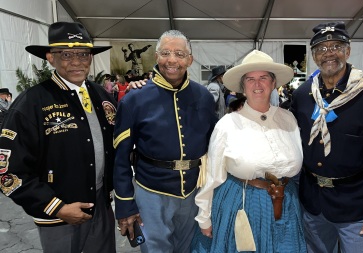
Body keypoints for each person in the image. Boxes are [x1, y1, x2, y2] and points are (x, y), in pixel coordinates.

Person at [0, 22, 117, 253]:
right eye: (66, 54)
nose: (76, 62)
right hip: (60, 215)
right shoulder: (32, 103)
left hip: (101, 206)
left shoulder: (101, 95)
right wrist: (57, 207)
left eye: (83, 54)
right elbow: (8, 172)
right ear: (50, 58)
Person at [290, 21, 363, 252]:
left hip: (356, 206)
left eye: (336, 46)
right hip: (313, 204)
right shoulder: (303, 94)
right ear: (313, 56)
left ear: (348, 51)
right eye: (321, 48)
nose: (328, 53)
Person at [191, 50, 307, 253]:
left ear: (273, 83)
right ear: (243, 86)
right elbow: (213, 175)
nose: (257, 84)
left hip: (287, 202)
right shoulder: (228, 124)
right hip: (243, 203)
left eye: (263, 78)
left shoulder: (288, 119)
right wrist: (204, 217)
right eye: (251, 79)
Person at [113, 30, 217, 253]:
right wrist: (124, 203)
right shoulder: (134, 99)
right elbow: (120, 158)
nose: (172, 60)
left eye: (180, 54)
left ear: (190, 59)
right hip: (151, 192)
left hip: (193, 192)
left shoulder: (204, 97)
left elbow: (215, 147)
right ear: (157, 57)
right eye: (166, 53)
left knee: (190, 249)